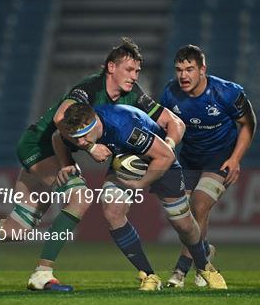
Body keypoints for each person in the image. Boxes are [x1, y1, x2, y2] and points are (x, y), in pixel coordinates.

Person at [0, 37, 184, 292]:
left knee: (16, 228)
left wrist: (168, 146)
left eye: (138, 71)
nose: (134, 76)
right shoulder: (88, 89)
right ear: (111, 67)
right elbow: (60, 121)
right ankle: (42, 272)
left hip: (54, 151)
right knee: (80, 197)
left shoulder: (132, 95)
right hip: (38, 146)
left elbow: (172, 122)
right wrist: (88, 147)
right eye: (129, 69)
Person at [60, 102, 228, 290]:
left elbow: (166, 156)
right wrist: (76, 157)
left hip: (161, 162)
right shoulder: (80, 129)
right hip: (125, 161)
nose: (81, 142)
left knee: (183, 224)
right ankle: (149, 276)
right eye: (76, 138)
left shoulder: (124, 128)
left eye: (83, 137)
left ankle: (205, 266)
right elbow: (58, 137)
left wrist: (140, 184)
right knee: (112, 211)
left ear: (95, 123)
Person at [159, 45, 256, 288]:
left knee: (199, 205)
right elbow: (163, 127)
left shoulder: (227, 92)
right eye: (179, 70)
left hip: (220, 158)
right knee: (182, 216)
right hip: (190, 159)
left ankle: (181, 271)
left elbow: (248, 123)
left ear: (203, 70)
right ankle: (204, 252)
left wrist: (235, 159)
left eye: (189, 69)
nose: (183, 75)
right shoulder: (170, 93)